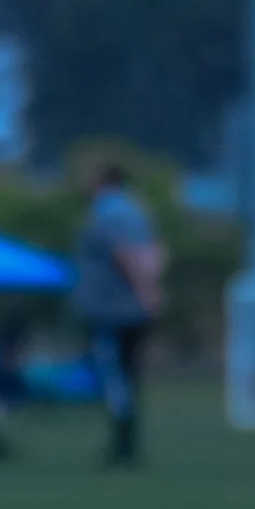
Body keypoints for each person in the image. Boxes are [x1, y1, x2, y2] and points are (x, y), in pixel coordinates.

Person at [74, 160, 164, 467]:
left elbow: (125, 255)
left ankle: (123, 444)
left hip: (112, 310)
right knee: (126, 375)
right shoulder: (137, 211)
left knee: (114, 375)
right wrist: (152, 290)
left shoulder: (110, 214)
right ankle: (125, 441)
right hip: (129, 309)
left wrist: (144, 291)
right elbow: (153, 252)